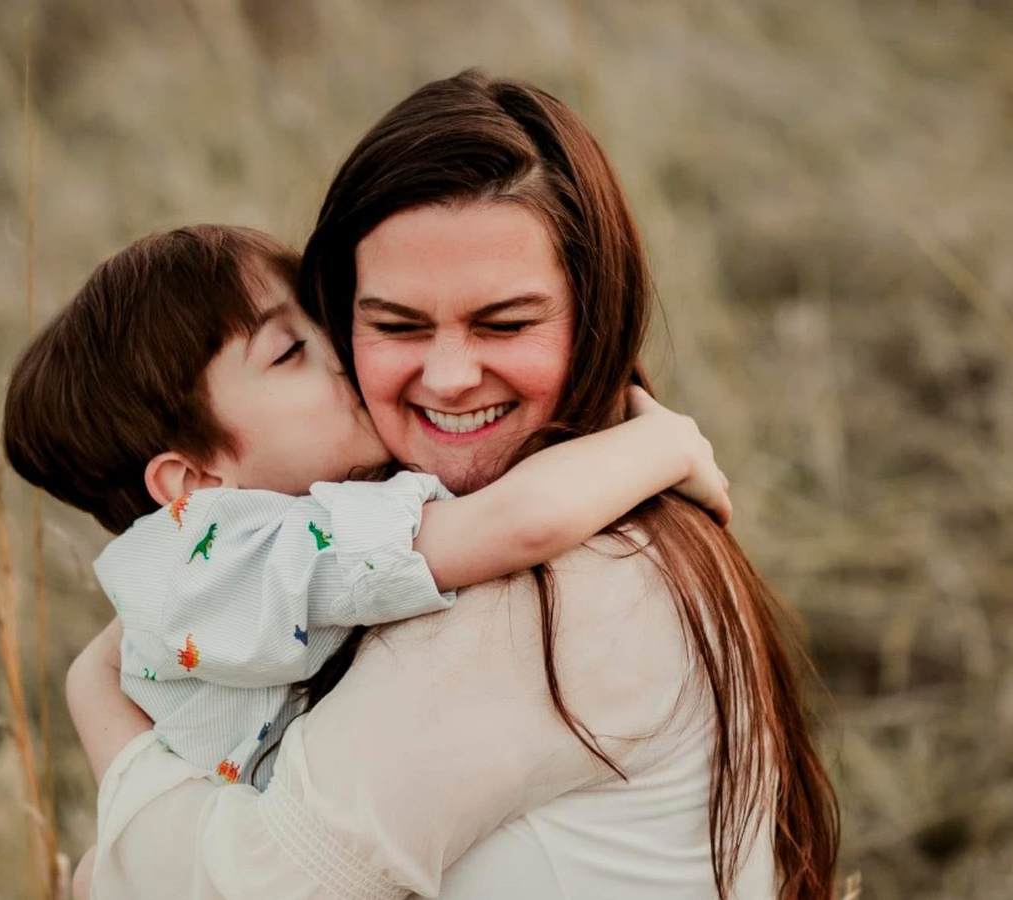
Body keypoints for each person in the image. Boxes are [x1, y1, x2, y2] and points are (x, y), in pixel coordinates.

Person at [70, 70, 839, 899]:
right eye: (396, 325)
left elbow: (255, 889)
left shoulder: (553, 592)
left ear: (596, 317)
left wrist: (103, 721)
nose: (448, 376)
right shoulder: (532, 529)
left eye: (505, 323)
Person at [3, 224, 730, 896]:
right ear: (193, 483)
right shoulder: (259, 551)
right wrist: (661, 444)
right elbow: (517, 523)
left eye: (324, 322)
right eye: (289, 352)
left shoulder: (204, 566)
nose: (344, 352)